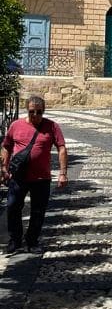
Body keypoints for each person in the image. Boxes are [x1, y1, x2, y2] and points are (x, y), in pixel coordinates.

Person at [0, 94, 68, 254]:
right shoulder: (16, 126)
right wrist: (3, 168)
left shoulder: (52, 127)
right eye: (32, 112)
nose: (35, 115)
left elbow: (62, 148)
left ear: (43, 111)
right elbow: (6, 146)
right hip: (18, 176)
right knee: (12, 207)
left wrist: (63, 173)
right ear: (27, 111)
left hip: (41, 177)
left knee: (38, 211)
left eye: (39, 112)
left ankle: (32, 241)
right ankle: (15, 240)